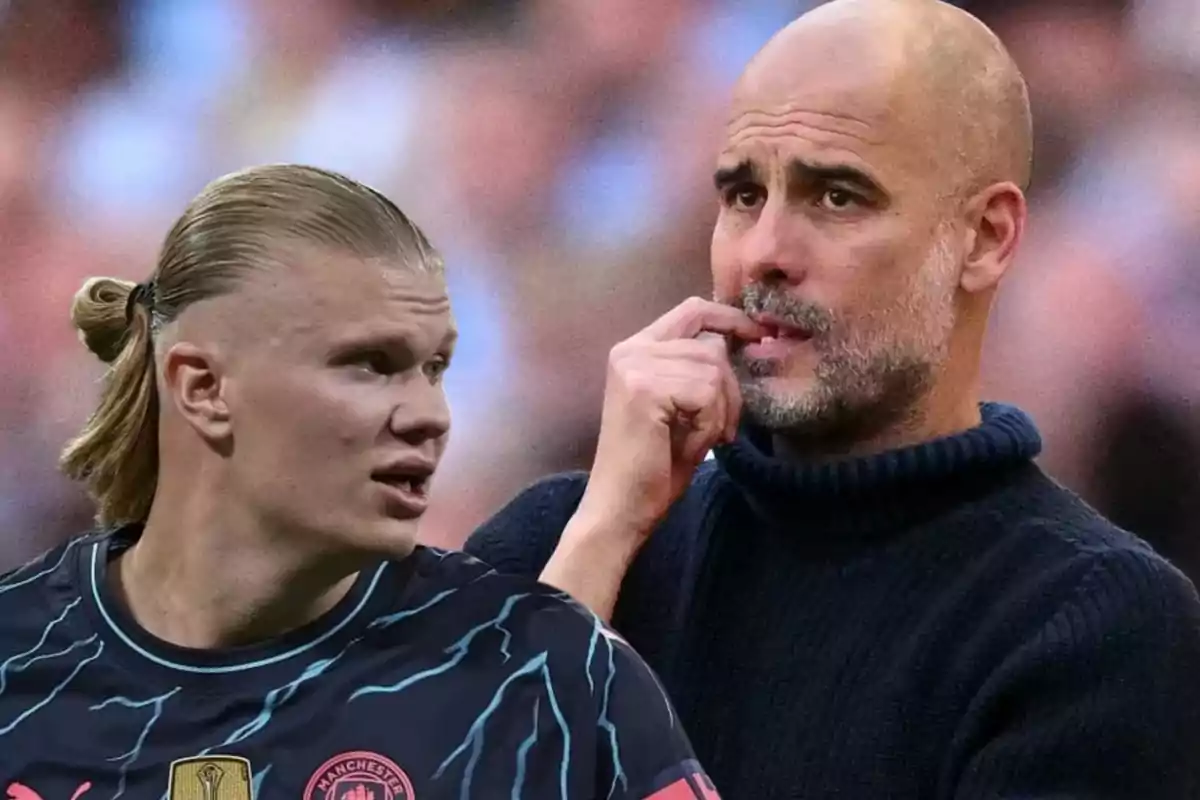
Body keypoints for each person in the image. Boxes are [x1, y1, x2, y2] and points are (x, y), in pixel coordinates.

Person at [465, 0, 1200, 797]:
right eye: (743, 196)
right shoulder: (552, 548)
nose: (766, 253)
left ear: (986, 238)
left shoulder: (1089, 624)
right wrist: (598, 541)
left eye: (838, 197)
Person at [0, 164, 719, 800]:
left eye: (434, 369)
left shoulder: (562, 668)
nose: (430, 416)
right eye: (368, 366)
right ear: (206, 387)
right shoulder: (21, 663)